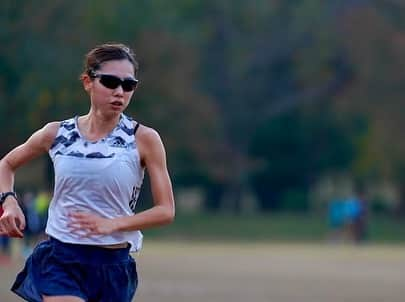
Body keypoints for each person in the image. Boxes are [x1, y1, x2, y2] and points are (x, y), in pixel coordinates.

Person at [0, 43, 175, 302]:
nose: (119, 92)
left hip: (113, 265)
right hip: (61, 260)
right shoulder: (56, 133)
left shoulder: (144, 139)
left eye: (128, 85)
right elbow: (6, 164)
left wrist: (114, 224)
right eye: (110, 82)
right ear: (87, 82)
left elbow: (165, 210)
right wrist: (9, 201)